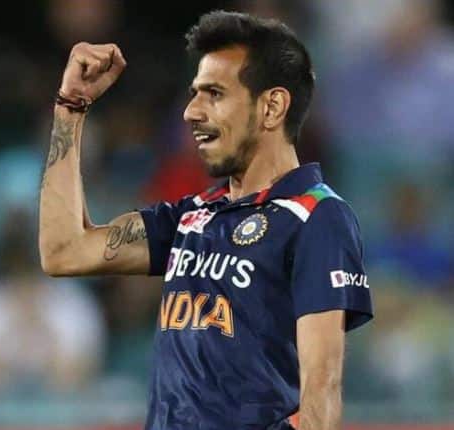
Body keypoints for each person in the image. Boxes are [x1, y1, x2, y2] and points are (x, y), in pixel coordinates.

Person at [39, 10, 373, 430]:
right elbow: (64, 251)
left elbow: (321, 390)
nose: (191, 112)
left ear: (272, 107)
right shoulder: (191, 216)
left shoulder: (316, 217)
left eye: (214, 94)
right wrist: (71, 108)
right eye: (194, 94)